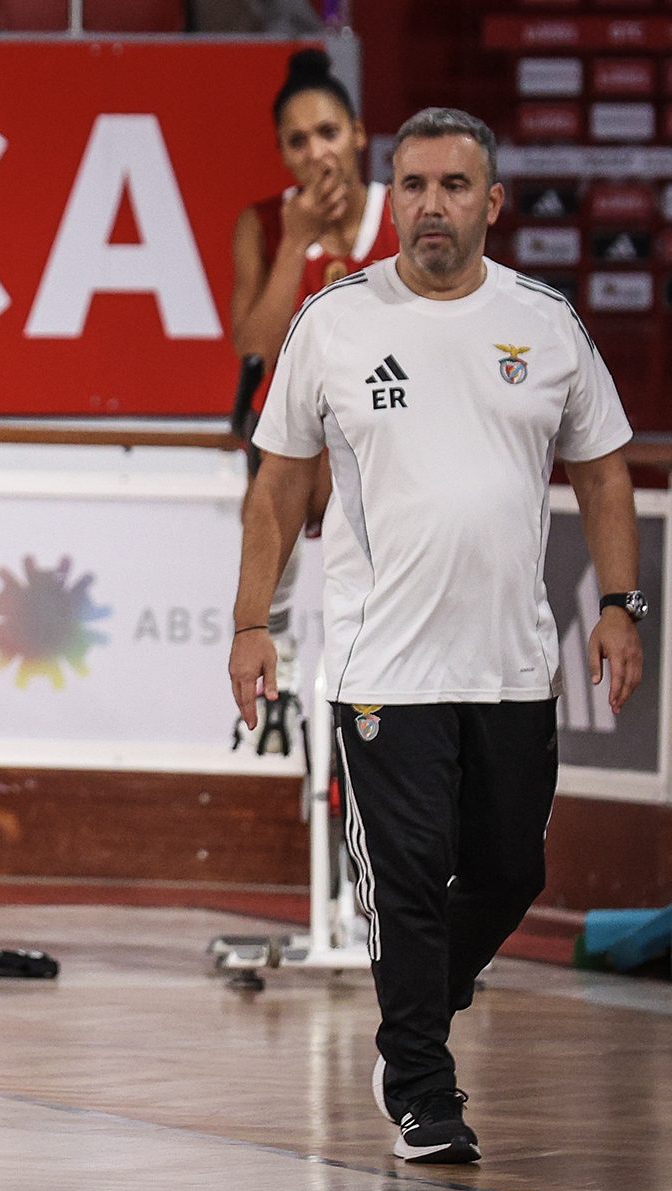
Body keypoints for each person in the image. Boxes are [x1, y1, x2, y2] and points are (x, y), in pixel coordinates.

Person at [229, 108, 644, 1165]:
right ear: (393, 198)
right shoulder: (334, 321)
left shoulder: (544, 322)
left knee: (508, 871)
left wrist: (617, 604)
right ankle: (420, 1084)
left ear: (490, 202)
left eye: (453, 186)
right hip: (384, 664)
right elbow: (277, 485)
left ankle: (421, 1008)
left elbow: (602, 472)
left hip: (512, 662)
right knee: (408, 879)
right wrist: (251, 621)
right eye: (412, 184)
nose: (430, 205)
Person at [227, 49, 402, 751]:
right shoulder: (264, 224)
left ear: (358, 134)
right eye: (297, 141)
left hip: (388, 431)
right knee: (275, 497)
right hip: (294, 433)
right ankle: (279, 687)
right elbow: (254, 347)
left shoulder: (403, 214)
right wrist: (296, 243)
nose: (316, 153)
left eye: (328, 132)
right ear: (282, 154)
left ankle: (385, 687)